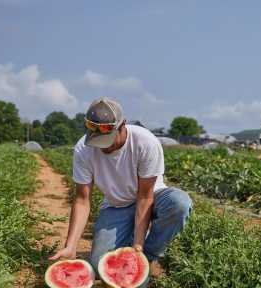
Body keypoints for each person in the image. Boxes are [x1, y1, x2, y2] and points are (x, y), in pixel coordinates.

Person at [50, 97, 192, 275]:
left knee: (179, 203)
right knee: (99, 266)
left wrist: (138, 248)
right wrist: (70, 246)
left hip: (152, 198)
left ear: (122, 125)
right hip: (117, 206)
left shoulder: (145, 142)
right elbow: (82, 199)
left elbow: (145, 196)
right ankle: (128, 239)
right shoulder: (83, 149)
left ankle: (150, 256)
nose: (102, 147)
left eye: (107, 140)